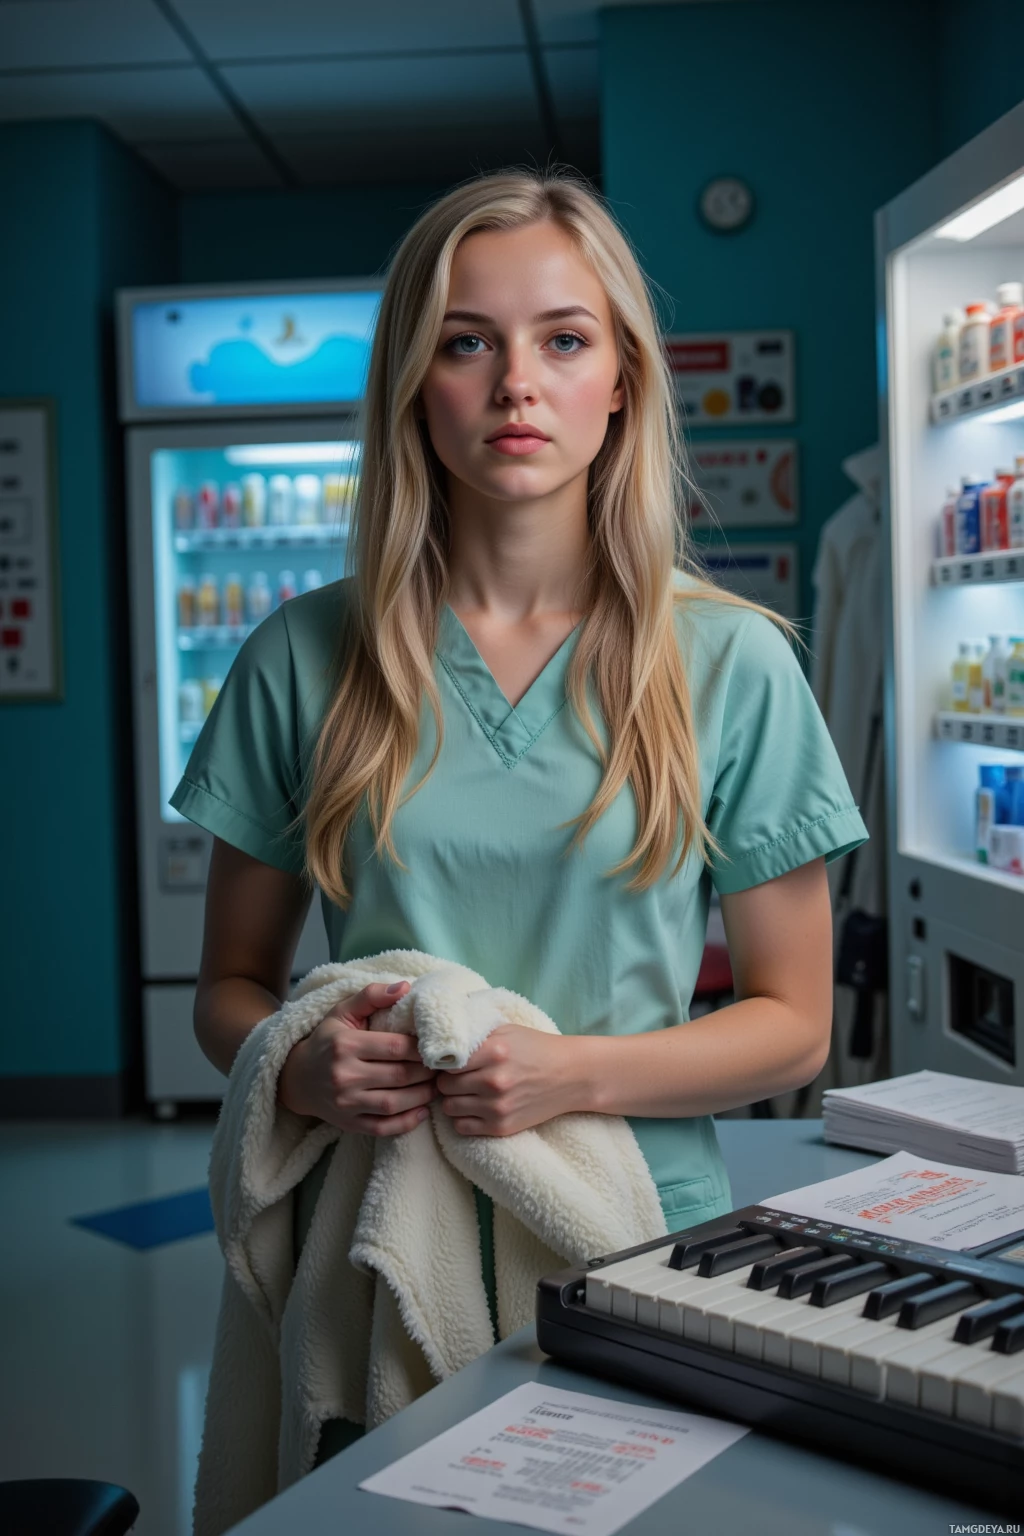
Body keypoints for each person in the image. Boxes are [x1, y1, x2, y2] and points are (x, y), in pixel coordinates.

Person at [170, 169, 868, 1467]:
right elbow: (229, 989)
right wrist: (300, 1066)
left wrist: (572, 1074)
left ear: (622, 382)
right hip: (376, 1233)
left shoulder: (727, 665)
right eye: (465, 342)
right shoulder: (301, 659)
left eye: (563, 338)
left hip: (635, 1230)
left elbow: (795, 1026)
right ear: (409, 385)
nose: (515, 384)